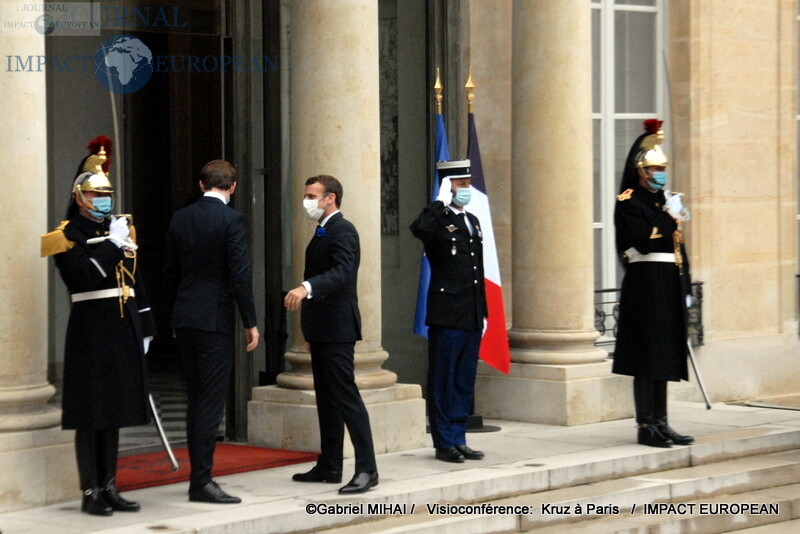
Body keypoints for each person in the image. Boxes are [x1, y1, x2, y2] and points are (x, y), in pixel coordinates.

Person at [42, 136, 154, 516]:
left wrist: (146, 324)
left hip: (122, 327)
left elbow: (134, 281)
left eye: (107, 193)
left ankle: (110, 484)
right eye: (96, 194)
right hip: (91, 331)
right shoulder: (65, 236)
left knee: (116, 410)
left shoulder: (119, 229)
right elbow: (85, 278)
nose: (104, 200)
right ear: (79, 197)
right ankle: (89, 490)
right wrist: (111, 245)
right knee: (92, 413)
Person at [163, 159, 260, 503]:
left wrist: (173, 317)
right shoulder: (232, 220)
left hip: (185, 317)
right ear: (232, 187)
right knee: (211, 401)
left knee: (195, 398)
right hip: (214, 320)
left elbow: (170, 272)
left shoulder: (180, 217)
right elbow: (240, 274)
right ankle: (201, 480)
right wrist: (250, 320)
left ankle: (198, 476)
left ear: (201, 184)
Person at [284, 175, 378, 495]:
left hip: (338, 329)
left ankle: (367, 469)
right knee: (327, 399)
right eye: (306, 194)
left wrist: (305, 287)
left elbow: (342, 272)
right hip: (323, 329)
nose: (306, 201)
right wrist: (311, 330)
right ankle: (330, 465)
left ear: (330, 198)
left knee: (345, 396)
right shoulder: (323, 230)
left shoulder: (344, 229)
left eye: (312, 195)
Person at [613, 119, 695, 448]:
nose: (660, 173)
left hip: (667, 283)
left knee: (663, 353)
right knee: (645, 355)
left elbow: (677, 247)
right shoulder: (629, 201)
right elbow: (644, 241)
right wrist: (669, 215)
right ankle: (645, 424)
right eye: (655, 169)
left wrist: (686, 285)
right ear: (641, 172)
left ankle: (662, 420)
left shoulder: (664, 201)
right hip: (645, 282)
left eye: (663, 167)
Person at [409, 159, 488, 463]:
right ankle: (443, 442)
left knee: (463, 377)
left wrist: (483, 310)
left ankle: (458, 435)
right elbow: (419, 229)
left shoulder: (472, 221)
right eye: (460, 183)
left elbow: (476, 270)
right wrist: (437, 202)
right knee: (443, 378)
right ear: (447, 186)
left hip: (470, 311)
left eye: (468, 183)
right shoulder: (437, 220)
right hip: (447, 311)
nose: (466, 188)